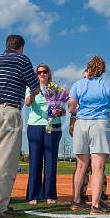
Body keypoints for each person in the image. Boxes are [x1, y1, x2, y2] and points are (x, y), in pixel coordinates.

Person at [0, 34, 40, 218]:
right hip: (9, 111)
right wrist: (31, 95)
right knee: (7, 162)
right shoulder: (22, 60)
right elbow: (35, 86)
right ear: (21, 47)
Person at [68, 56, 110, 215]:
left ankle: (76, 201)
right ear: (103, 69)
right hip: (99, 123)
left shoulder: (78, 84)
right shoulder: (108, 85)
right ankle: (96, 205)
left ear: (88, 68)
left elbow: (71, 108)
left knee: (81, 166)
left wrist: (80, 112)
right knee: (97, 167)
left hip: (81, 123)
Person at [25, 63, 65, 205]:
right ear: (36, 74)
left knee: (51, 161)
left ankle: (50, 194)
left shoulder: (56, 88)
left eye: (45, 71)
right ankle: (34, 194)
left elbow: (64, 111)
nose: (42, 74)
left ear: (49, 73)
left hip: (53, 127)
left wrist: (58, 112)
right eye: (39, 72)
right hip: (35, 126)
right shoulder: (31, 88)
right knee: (35, 160)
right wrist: (32, 94)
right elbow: (27, 104)